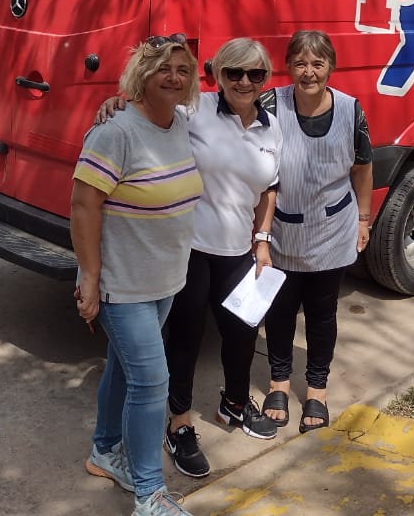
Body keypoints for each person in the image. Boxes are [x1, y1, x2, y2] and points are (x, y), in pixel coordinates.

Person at [96, 37, 283, 480]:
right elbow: (151, 109)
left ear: (265, 79)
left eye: (255, 73)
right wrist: (115, 103)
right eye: (234, 72)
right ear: (218, 75)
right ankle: (178, 423)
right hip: (191, 249)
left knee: (241, 333)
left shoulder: (271, 126)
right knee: (185, 337)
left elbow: (269, 187)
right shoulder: (194, 110)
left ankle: (233, 403)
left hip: (238, 249)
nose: (244, 81)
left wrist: (262, 240)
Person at [73, 35, 205, 516]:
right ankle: (149, 494)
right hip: (121, 285)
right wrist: (90, 277)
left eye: (183, 70)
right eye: (163, 68)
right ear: (142, 75)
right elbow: (83, 205)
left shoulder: (179, 123)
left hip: (164, 280)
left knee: (122, 368)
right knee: (151, 382)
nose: (174, 77)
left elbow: (240, 96)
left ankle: (104, 451)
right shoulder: (116, 132)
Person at [260, 30, 374, 434]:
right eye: (300, 63)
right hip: (281, 229)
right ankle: (278, 383)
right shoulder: (270, 104)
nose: (308, 72)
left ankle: (317, 390)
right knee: (280, 310)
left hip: (332, 230)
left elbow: (362, 168)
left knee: (322, 314)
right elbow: (215, 111)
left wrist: (363, 219)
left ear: (331, 67)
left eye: (317, 63)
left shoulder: (350, 109)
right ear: (288, 67)